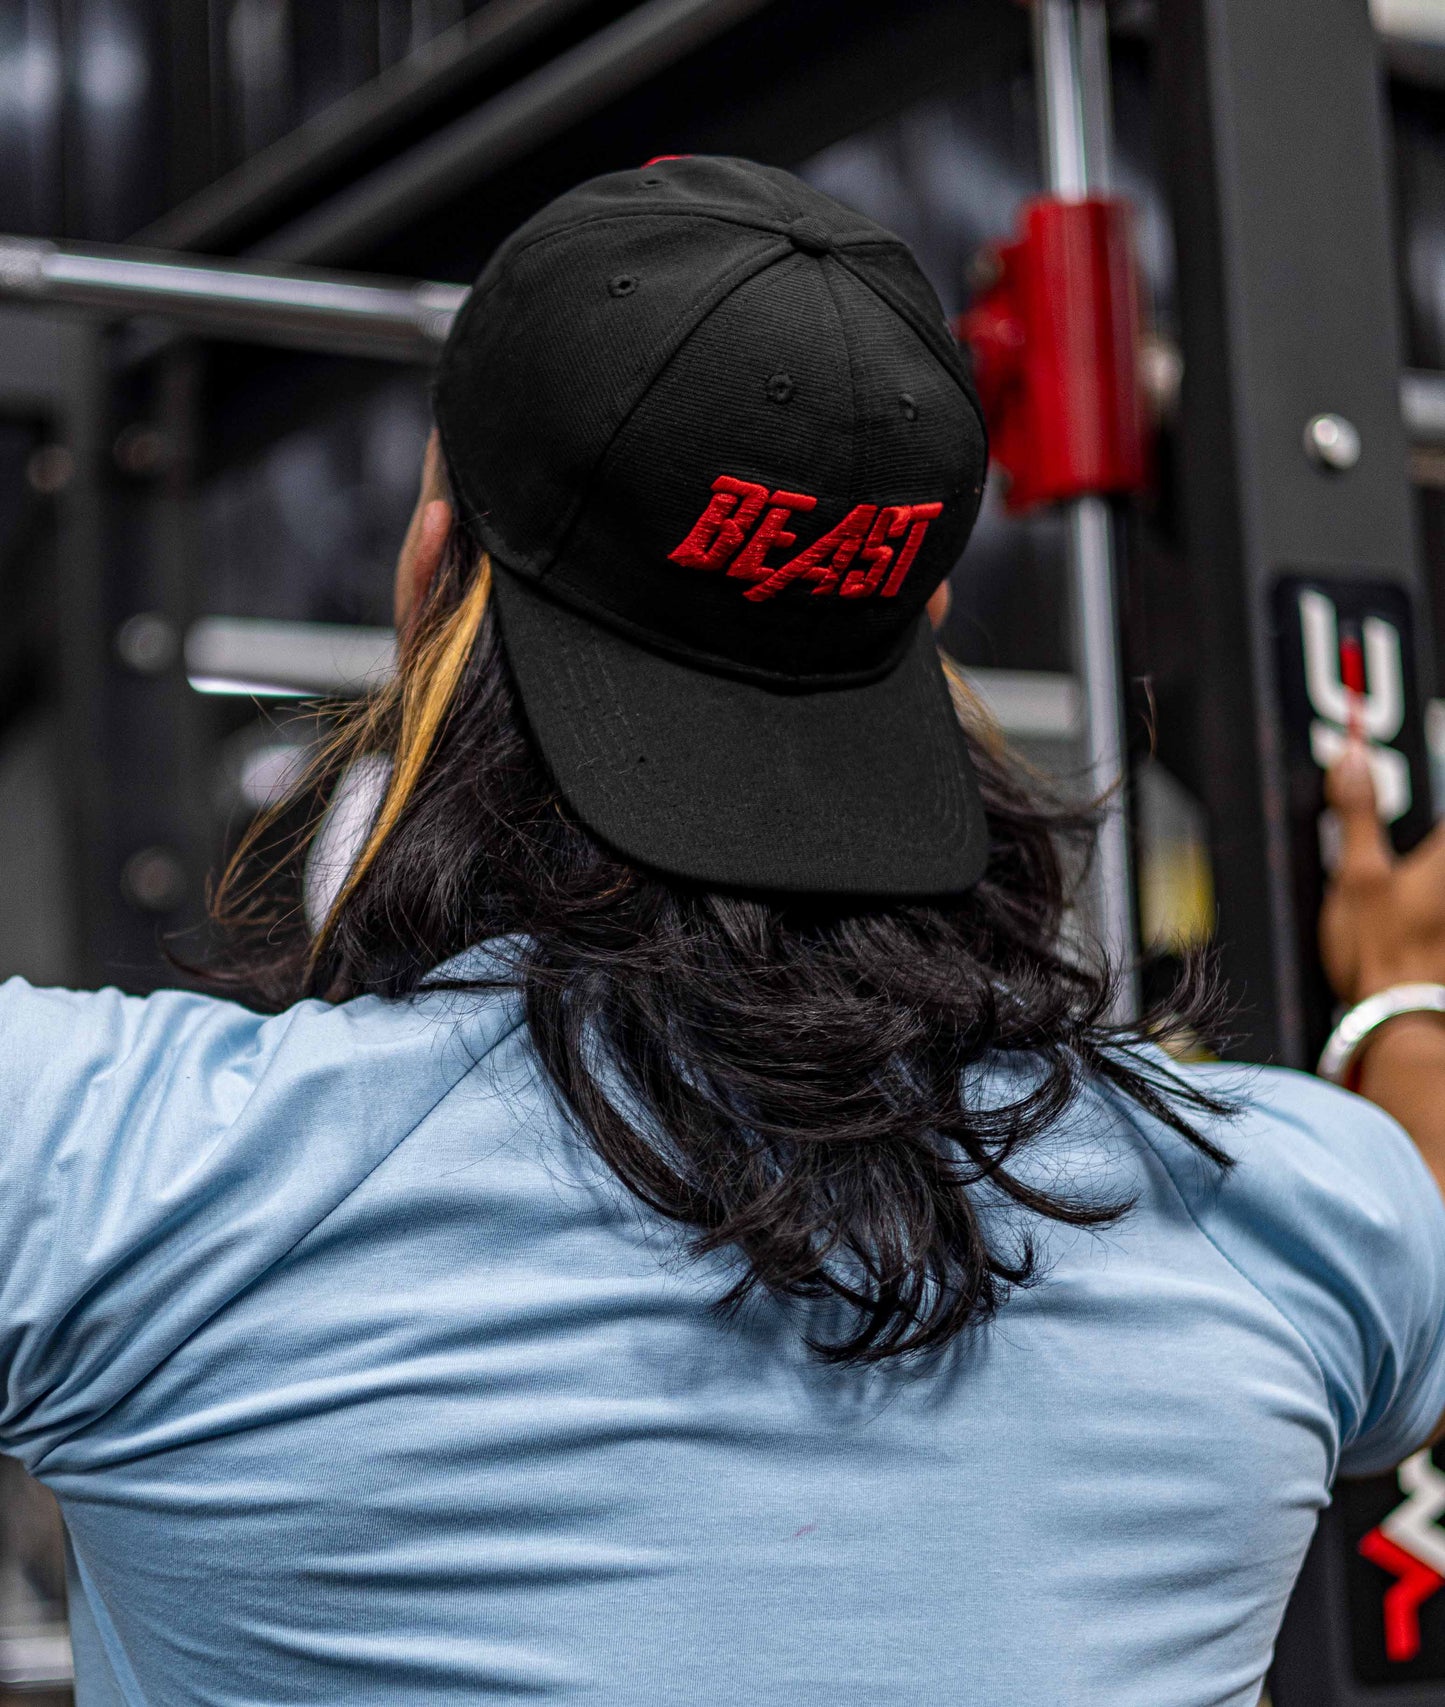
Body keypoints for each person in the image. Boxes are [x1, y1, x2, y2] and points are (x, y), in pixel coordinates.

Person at [0, 155, 1442, 1707]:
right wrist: (1401, 1004)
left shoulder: (106, 1176)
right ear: (926, 617)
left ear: (429, 574)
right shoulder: (1299, 1219)